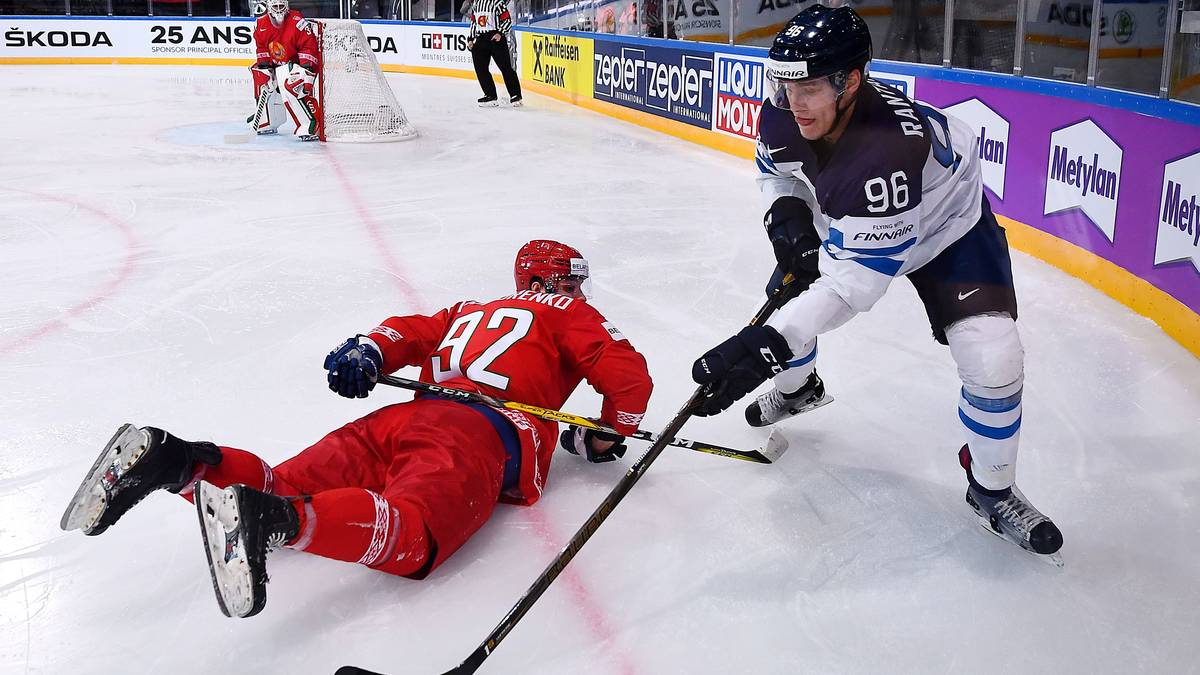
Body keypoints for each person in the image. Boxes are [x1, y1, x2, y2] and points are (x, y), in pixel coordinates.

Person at [61, 240, 654, 618]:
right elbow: (629, 381)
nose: (579, 291)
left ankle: (172, 460)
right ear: (551, 281)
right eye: (572, 280)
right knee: (414, 535)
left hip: (402, 419)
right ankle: (276, 522)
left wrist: (368, 350)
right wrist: (608, 434)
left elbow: (405, 332)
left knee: (279, 481)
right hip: (472, 436)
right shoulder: (570, 312)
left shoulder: (470, 308)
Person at [689, 5, 1063, 563]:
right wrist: (788, 214)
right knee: (792, 295)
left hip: (949, 229)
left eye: (810, 88)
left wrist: (762, 346)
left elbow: (851, 290)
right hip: (869, 214)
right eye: (787, 85)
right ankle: (798, 391)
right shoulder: (785, 109)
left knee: (993, 356)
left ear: (851, 81)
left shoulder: (881, 153)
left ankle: (992, 487)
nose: (794, 102)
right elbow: (776, 171)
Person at [247, 0, 322, 141]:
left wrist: (307, 69)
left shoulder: (297, 22)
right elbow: (262, 48)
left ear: (286, 6)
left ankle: (311, 123)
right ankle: (268, 120)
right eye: (275, 6)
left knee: (292, 82)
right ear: (269, 8)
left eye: (281, 6)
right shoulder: (260, 24)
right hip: (277, 65)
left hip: (298, 65)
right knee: (260, 75)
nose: (278, 10)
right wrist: (266, 69)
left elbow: (308, 46)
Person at [466, 0, 522, 107]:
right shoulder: (476, 4)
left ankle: (515, 95)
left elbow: (507, 20)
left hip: (496, 38)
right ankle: (490, 95)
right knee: (480, 69)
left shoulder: (497, 2)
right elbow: (474, 22)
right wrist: (471, 39)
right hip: (480, 38)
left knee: (505, 67)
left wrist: (500, 33)